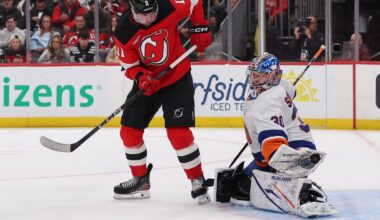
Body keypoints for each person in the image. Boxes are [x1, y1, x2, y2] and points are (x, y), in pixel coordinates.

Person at [214, 53, 338, 218]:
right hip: (295, 142)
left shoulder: (267, 102)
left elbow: (273, 146)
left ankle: (305, 191)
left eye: (259, 75)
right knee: (242, 184)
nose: (254, 78)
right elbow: (292, 91)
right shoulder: (277, 86)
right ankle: (291, 179)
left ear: (271, 76)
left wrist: (277, 169)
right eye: (253, 74)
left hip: (293, 149)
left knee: (248, 185)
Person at [113, 0, 212, 204]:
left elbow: (197, 2)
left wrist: (199, 27)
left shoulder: (169, 6)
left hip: (177, 78)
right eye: (144, 15)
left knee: (178, 134)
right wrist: (141, 77)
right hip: (148, 82)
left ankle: (197, 180)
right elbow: (130, 65)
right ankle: (140, 180)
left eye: (152, 13)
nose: (149, 18)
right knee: (129, 131)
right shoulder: (123, 31)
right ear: (133, 11)